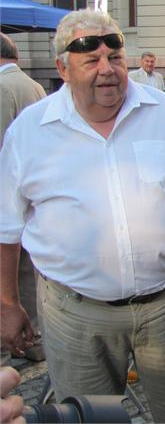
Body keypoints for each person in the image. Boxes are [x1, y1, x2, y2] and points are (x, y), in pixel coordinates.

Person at [0, 9, 165, 423]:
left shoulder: (162, 113)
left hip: (164, 307)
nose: (107, 69)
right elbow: (6, 228)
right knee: (90, 418)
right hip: (75, 314)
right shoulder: (31, 131)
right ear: (63, 69)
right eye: (91, 60)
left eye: (114, 57)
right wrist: (7, 302)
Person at [0, 33, 47, 365]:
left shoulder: (3, 87)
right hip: (34, 187)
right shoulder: (34, 85)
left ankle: (14, 338)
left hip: (11, 189)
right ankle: (35, 339)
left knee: (11, 266)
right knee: (29, 268)